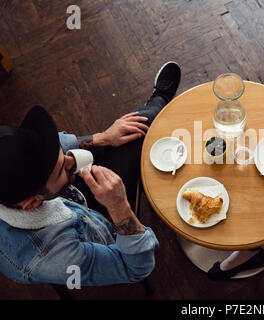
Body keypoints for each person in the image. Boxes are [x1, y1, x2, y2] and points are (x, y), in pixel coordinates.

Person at [0, 61, 181, 286]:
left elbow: (54, 147)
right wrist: (118, 207)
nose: (72, 159)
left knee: (138, 130)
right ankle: (159, 103)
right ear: (32, 203)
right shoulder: (55, 259)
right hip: (96, 224)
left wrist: (103, 137)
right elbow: (136, 268)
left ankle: (157, 103)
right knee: (148, 142)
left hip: (69, 197)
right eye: (61, 168)